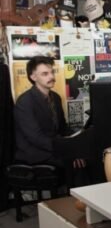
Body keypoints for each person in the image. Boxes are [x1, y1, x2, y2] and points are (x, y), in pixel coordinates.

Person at [14, 56, 87, 186]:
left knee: (86, 156)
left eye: (52, 72)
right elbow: (36, 138)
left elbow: (63, 128)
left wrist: (79, 141)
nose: (51, 76)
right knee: (72, 161)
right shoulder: (25, 102)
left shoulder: (56, 98)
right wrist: (67, 150)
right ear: (33, 77)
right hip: (34, 152)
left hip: (52, 147)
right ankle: (71, 201)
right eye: (45, 74)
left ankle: (84, 201)